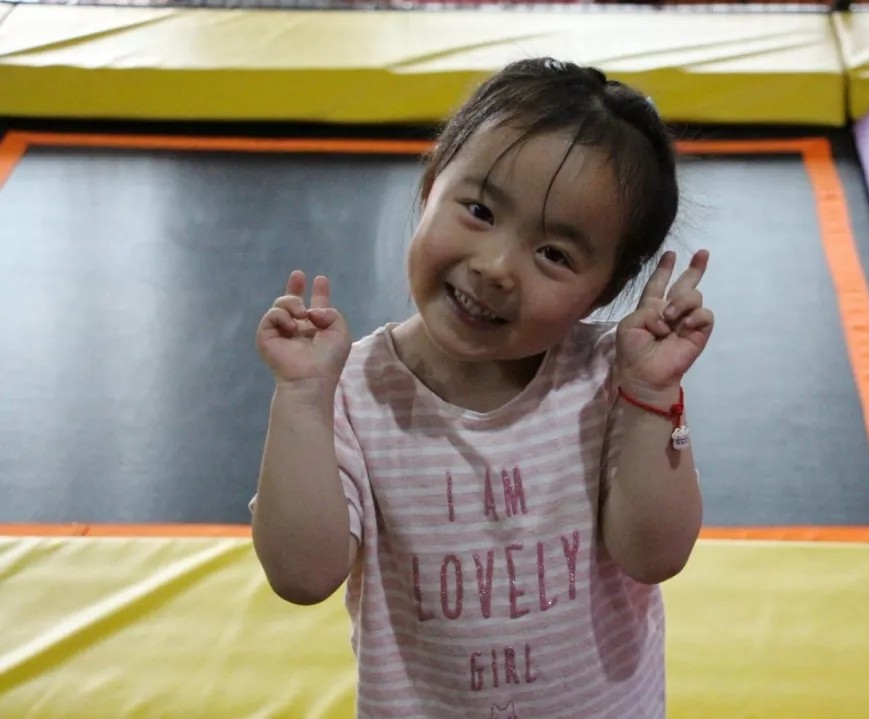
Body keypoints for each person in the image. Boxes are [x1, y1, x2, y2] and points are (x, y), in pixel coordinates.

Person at [250, 57, 714, 718]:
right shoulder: (353, 391)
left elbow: (655, 555)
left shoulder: (610, 378)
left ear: (603, 290)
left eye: (554, 254)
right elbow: (301, 575)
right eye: (479, 210)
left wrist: (652, 396)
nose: (496, 267)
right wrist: (301, 400)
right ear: (432, 183)